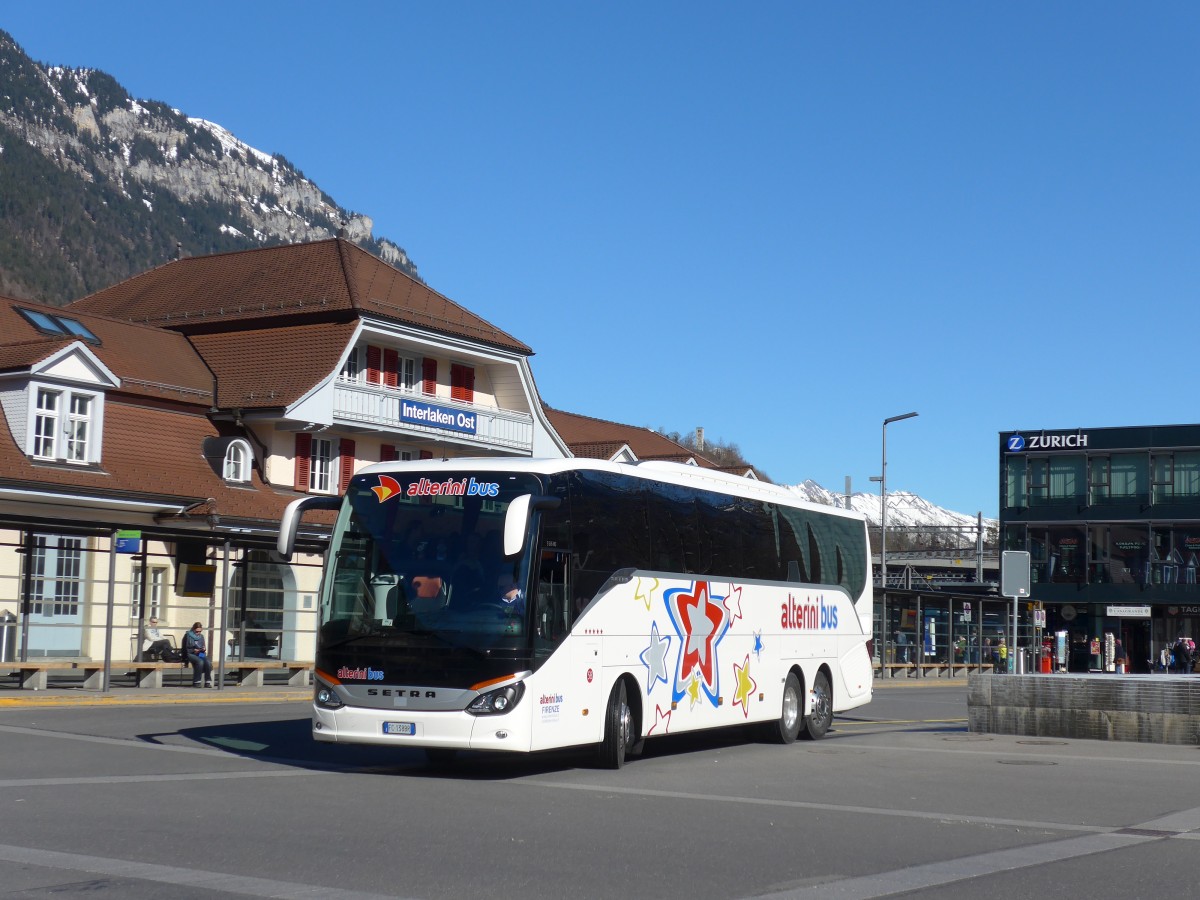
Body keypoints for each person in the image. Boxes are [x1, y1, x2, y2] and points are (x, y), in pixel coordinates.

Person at [183, 621, 213, 687]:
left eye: (200, 631)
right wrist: (193, 650)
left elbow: (203, 646)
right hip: (191, 653)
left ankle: (207, 681)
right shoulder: (188, 636)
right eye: (197, 631)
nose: (198, 633)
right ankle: (196, 681)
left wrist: (203, 648)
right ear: (193, 630)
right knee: (200, 662)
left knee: (208, 662)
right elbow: (185, 648)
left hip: (200, 653)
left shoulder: (201, 636)